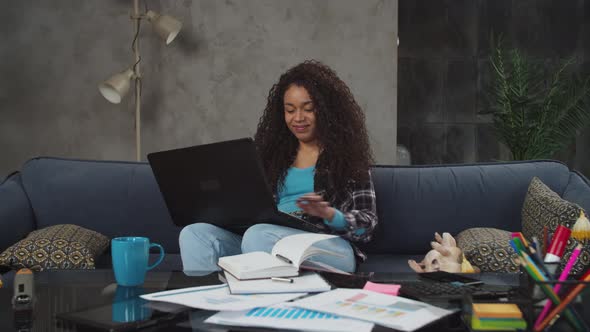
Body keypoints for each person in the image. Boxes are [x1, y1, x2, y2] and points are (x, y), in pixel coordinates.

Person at [179, 60, 378, 273]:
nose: (298, 118)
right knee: (194, 234)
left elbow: (367, 225)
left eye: (308, 109)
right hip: (262, 238)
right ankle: (209, 302)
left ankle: (263, 303)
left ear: (327, 111)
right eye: (290, 110)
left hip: (328, 245)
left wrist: (330, 214)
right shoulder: (271, 158)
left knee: (258, 235)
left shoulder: (347, 159)